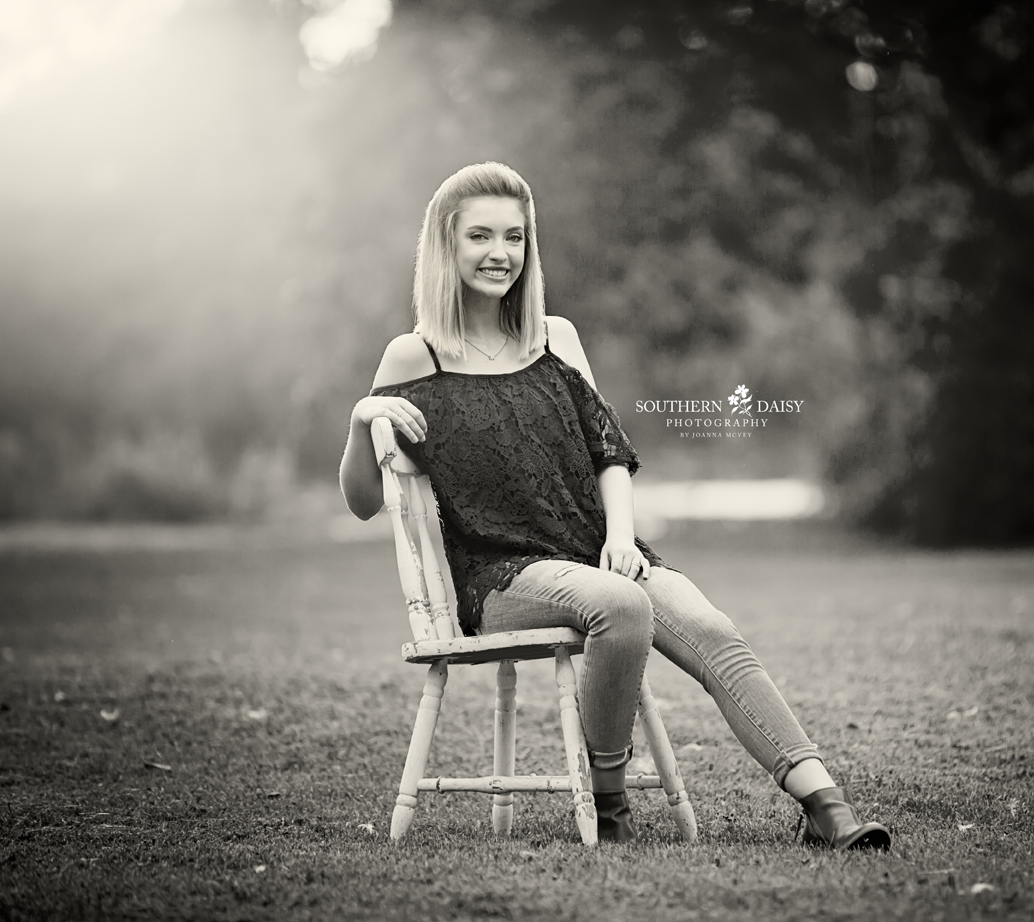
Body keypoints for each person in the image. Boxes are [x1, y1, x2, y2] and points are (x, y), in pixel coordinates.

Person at [339, 162, 889, 850]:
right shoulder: (413, 356)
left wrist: (621, 538)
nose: (500, 252)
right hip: (500, 576)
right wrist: (361, 421)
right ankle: (608, 799)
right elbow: (363, 502)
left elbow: (610, 454)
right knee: (620, 604)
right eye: (480, 235)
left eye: (514, 236)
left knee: (711, 626)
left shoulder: (556, 339)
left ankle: (825, 806)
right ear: (445, 245)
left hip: (595, 550)